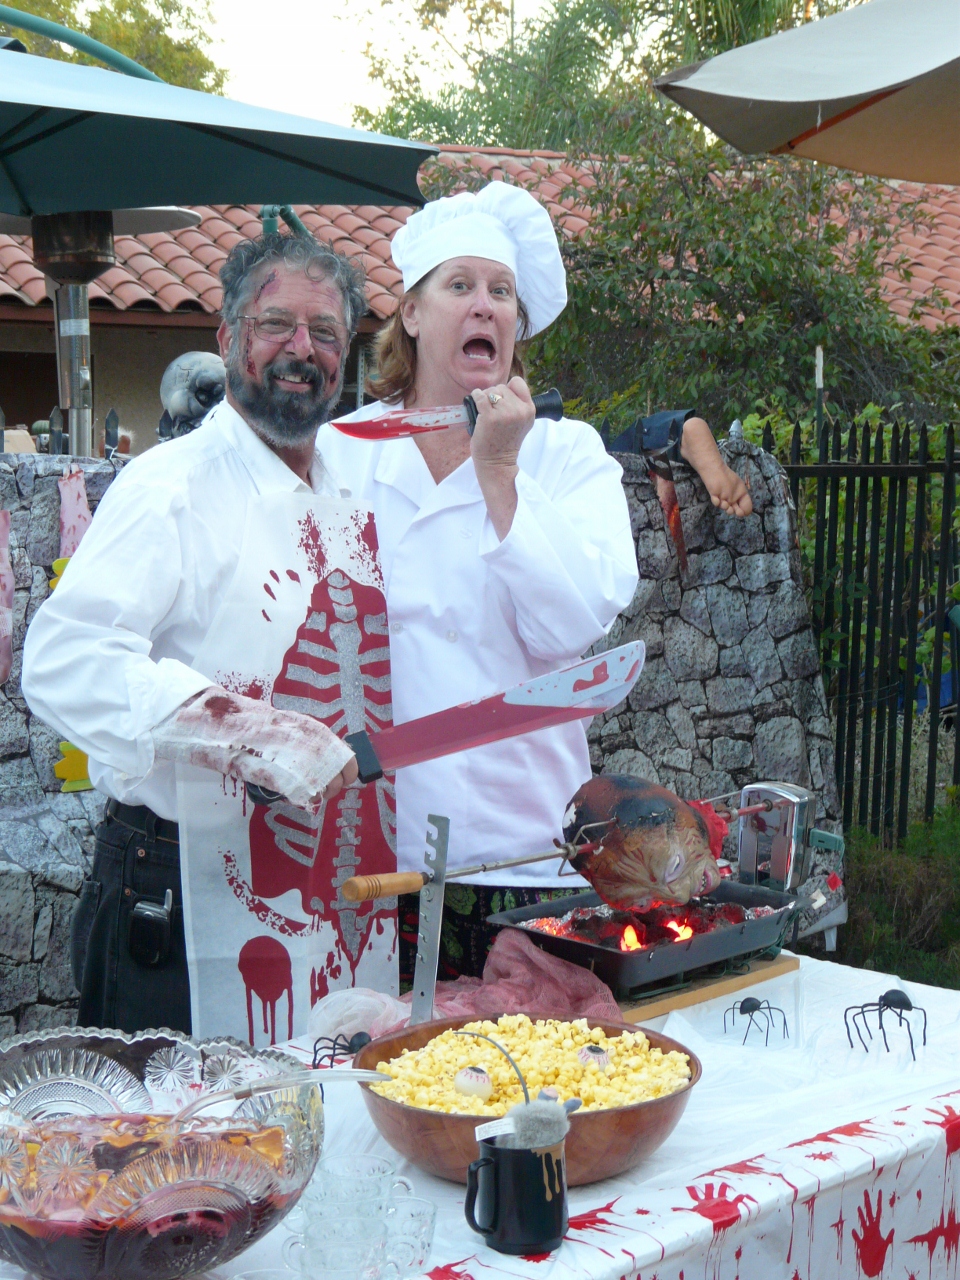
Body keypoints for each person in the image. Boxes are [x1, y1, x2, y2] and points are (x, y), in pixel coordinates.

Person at [22, 234, 372, 1036]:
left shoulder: (350, 491)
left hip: (319, 889)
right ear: (228, 337)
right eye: (275, 324)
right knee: (174, 1116)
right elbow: (64, 661)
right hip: (171, 886)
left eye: (324, 332)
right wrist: (245, 731)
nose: (301, 348)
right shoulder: (169, 484)